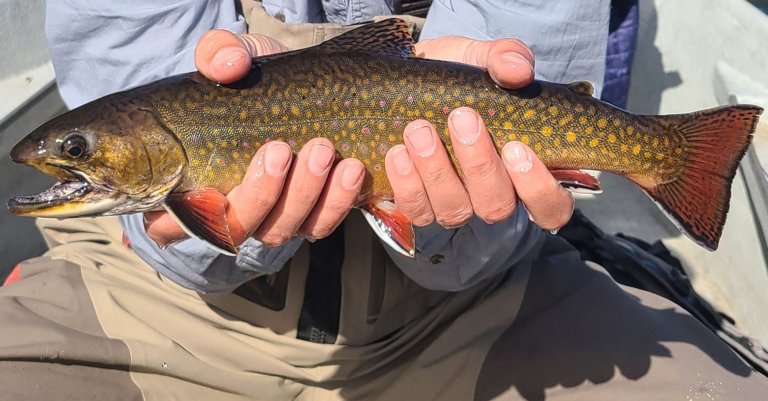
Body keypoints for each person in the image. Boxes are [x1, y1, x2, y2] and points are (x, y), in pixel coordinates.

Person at [1, 1, 766, 400]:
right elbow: (177, 238)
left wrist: (455, 221)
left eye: (77, 151)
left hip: (470, 308)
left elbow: (496, 207)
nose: (66, 161)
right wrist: (209, 231)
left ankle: (678, 155)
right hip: (161, 304)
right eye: (80, 154)